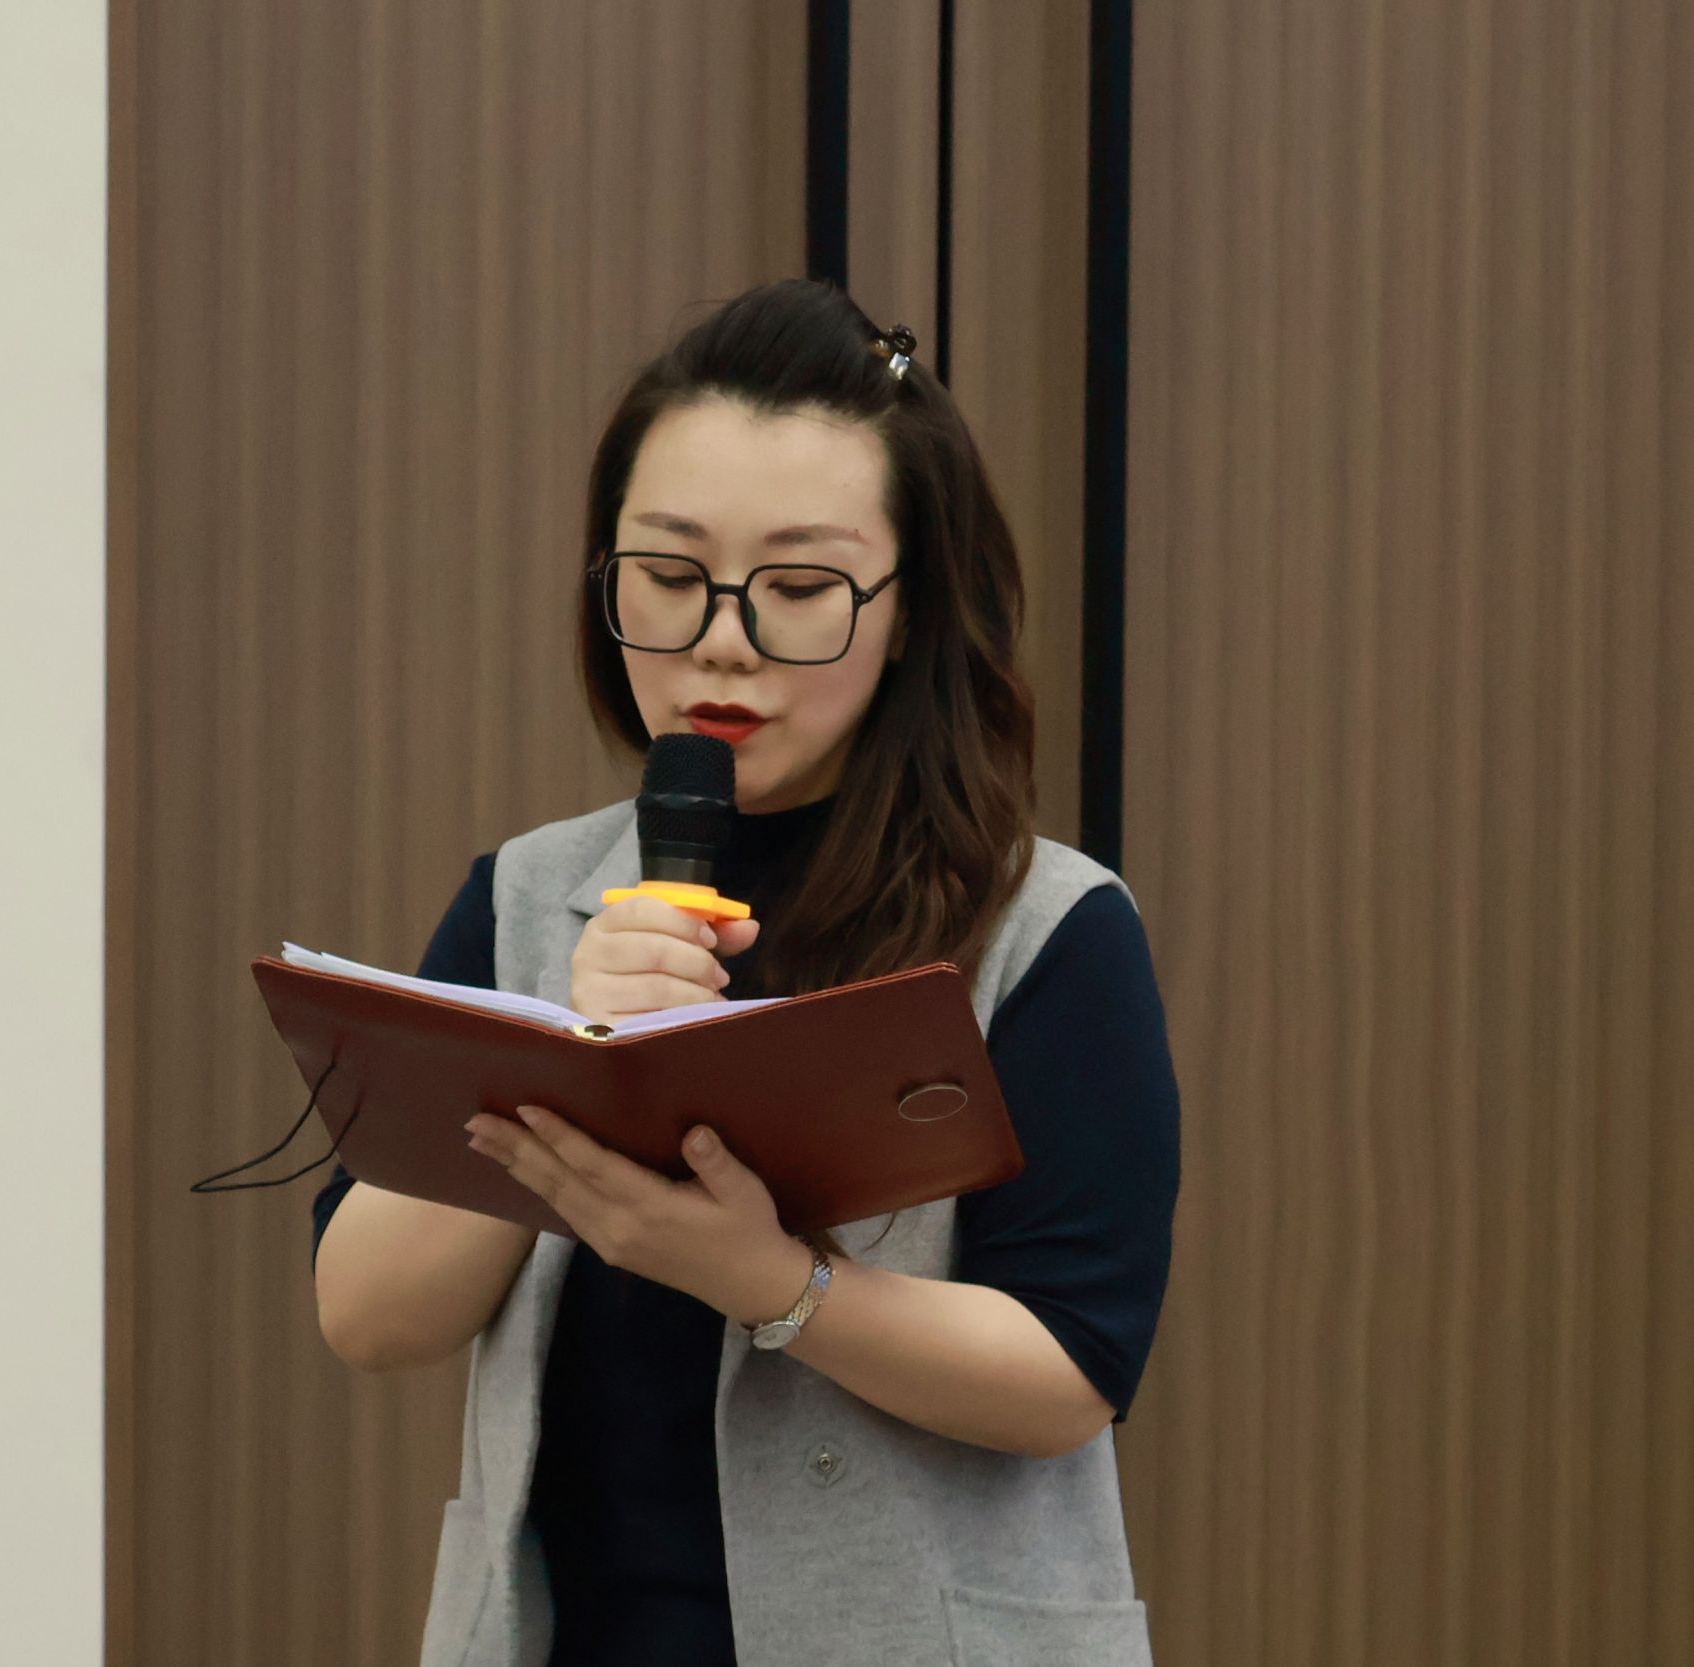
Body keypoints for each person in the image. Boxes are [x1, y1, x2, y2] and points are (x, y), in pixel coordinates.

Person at [310, 278, 1180, 1667]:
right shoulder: (530, 899)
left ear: (909, 606)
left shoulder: (1044, 926)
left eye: (799, 589)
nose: (724, 637)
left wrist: (769, 1282)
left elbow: (1068, 1372)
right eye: (669, 577)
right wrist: (568, 1046)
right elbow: (367, 1313)